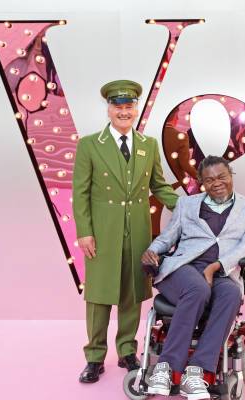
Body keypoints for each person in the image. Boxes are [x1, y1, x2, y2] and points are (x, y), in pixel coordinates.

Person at [72, 79, 178, 383]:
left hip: (138, 229)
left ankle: (127, 351)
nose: (123, 111)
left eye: (128, 106)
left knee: (132, 292)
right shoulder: (90, 144)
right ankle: (94, 357)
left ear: (135, 109)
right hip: (103, 231)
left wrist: (185, 206)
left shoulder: (148, 145)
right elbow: (80, 193)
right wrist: (84, 231)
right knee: (99, 296)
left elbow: (158, 185)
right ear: (109, 109)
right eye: (118, 106)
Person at [141, 155, 245, 400]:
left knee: (231, 294)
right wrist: (153, 250)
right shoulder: (187, 204)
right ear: (201, 183)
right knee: (197, 289)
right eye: (209, 180)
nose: (217, 183)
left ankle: (197, 371)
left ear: (230, 175)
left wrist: (215, 267)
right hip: (184, 267)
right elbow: (168, 237)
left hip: (221, 270)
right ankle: (166, 367)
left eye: (222, 177)